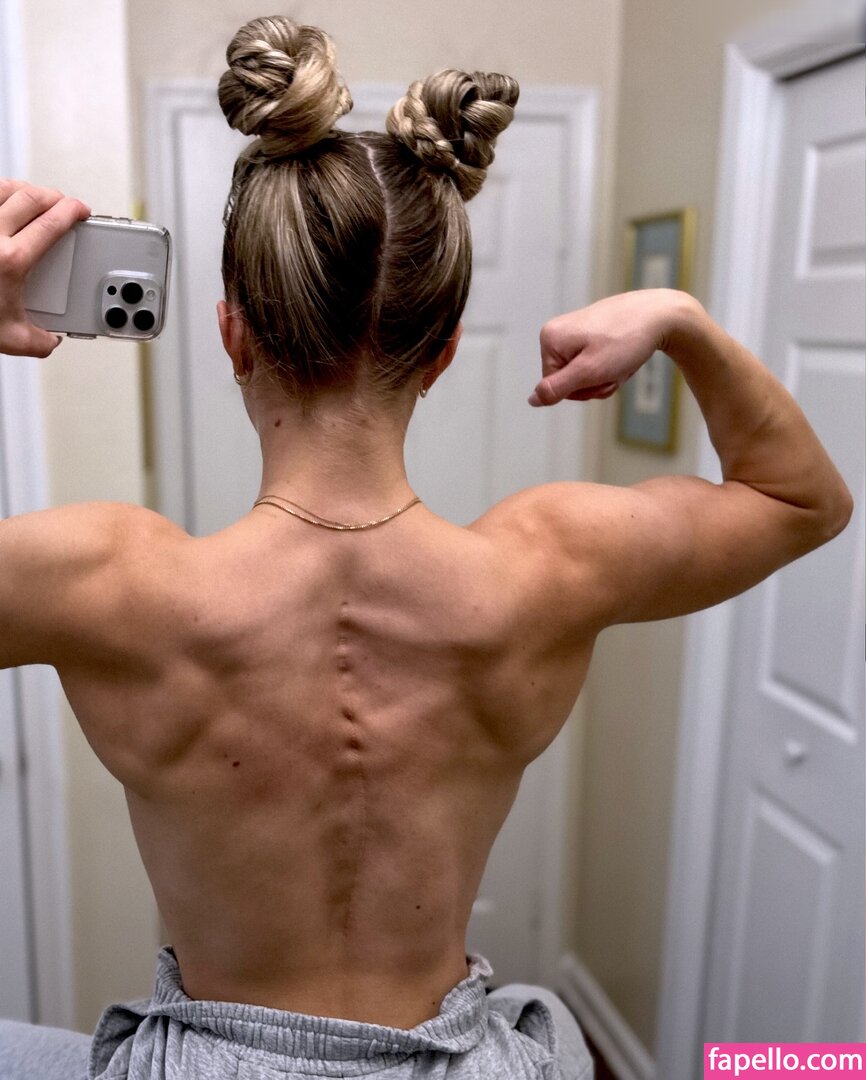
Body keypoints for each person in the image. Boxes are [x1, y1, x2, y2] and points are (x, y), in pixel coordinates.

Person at [0, 15, 852, 1080]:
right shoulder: (549, 567)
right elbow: (800, 499)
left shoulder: (103, 580)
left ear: (233, 335)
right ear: (442, 353)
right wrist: (685, 322)